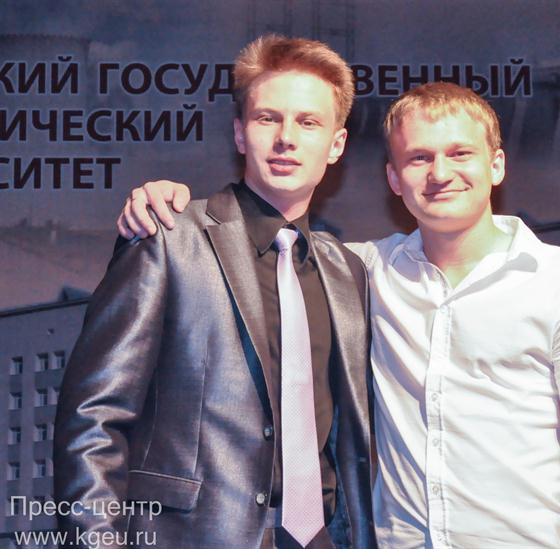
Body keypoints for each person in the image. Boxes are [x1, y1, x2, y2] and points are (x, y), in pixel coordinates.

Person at [119, 82, 560, 549]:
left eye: (460, 154)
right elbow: (261, 249)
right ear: (393, 178)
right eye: (419, 158)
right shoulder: (360, 271)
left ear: (496, 165)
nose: (440, 174)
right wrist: (167, 201)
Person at [54, 35, 376, 549]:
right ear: (240, 133)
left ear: (336, 144)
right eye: (268, 118)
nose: (286, 138)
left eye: (308, 122)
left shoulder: (347, 271)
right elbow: (94, 419)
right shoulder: (168, 236)